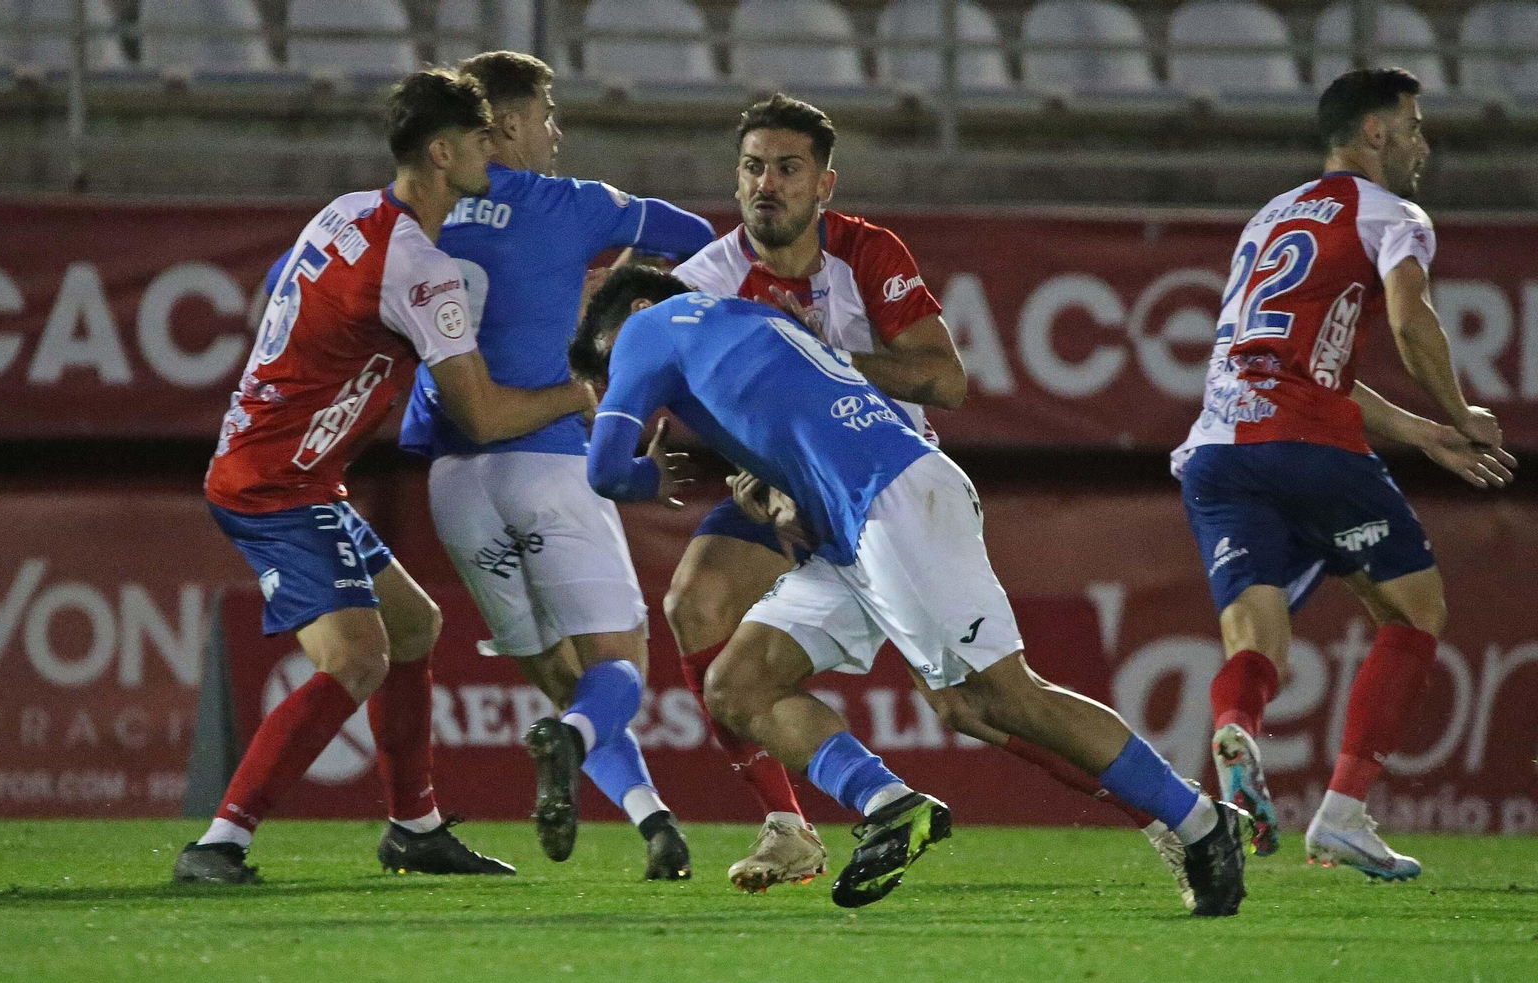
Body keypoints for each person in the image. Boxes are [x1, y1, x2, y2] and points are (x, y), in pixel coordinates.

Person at [571, 266, 1250, 916]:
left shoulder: (647, 326)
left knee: (1005, 697)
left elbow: (605, 470)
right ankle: (892, 806)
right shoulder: (748, 319)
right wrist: (777, 483)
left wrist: (649, 478)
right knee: (738, 683)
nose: (615, 385)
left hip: (889, 500)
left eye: (607, 367)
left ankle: (1199, 821)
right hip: (858, 520)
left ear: (633, 313)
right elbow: (806, 426)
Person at [670, 93, 1196, 902]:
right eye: (751, 168)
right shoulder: (707, 277)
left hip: (887, 488)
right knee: (705, 622)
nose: (765, 183)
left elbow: (943, 379)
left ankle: (1178, 818)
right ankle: (812, 818)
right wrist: (753, 457)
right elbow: (688, 391)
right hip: (801, 496)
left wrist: (816, 360)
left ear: (824, 185)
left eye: (786, 168)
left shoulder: (866, 253)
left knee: (981, 704)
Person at [174, 69, 595, 884]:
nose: (493, 150)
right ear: (442, 152)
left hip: (287, 465)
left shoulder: (346, 211)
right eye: (479, 140)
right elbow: (482, 418)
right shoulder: (418, 268)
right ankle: (219, 842)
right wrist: (583, 393)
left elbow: (275, 304)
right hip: (274, 485)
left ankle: (415, 826)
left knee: (414, 626)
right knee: (357, 658)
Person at [1172, 67, 1517, 880]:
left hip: (1218, 451)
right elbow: (1410, 316)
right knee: (1415, 606)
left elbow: (1301, 362)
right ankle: (1345, 810)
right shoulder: (1392, 213)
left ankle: (1239, 734)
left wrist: (1424, 432)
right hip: (1308, 444)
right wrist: (1462, 410)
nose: (1423, 144)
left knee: (1255, 638)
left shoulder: (1268, 217)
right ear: (1374, 133)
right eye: (1415, 126)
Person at [395, 51, 715, 880]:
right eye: (545, 114)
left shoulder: (419, 213)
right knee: (616, 670)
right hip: (544, 460)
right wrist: (621, 290)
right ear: (503, 124)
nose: (556, 132)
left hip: (454, 482)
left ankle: (656, 826)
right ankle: (574, 746)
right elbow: (700, 241)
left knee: (557, 677)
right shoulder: (573, 205)